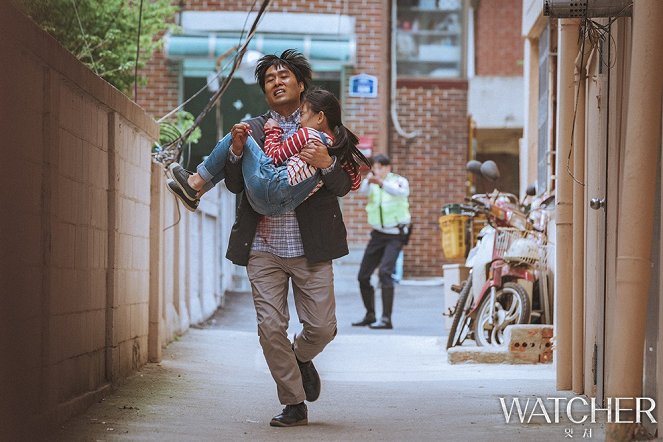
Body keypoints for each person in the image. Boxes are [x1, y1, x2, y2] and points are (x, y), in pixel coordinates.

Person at [182, 49, 354, 428]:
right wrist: (238, 152)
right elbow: (234, 184)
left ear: (301, 84)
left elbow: (344, 185)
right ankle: (294, 402)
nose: (276, 82)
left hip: (311, 248)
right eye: (269, 79)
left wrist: (327, 164)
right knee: (270, 328)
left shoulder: (322, 127)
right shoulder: (254, 129)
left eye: (284, 76)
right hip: (263, 247)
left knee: (322, 328)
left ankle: (301, 356)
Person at [166, 88, 366, 214]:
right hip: (282, 206)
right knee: (239, 148)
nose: (300, 120)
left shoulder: (308, 135)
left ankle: (195, 182)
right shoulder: (336, 148)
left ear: (320, 117)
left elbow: (273, 157)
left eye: (303, 114)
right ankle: (196, 192)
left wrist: (273, 131)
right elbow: (355, 183)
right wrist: (331, 163)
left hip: (270, 188)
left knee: (240, 133)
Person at [352, 154, 411, 330]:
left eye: (379, 167)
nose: (376, 171)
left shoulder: (399, 181)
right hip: (378, 234)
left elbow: (401, 192)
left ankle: (386, 319)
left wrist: (381, 183)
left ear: (388, 167)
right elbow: (361, 191)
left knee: (385, 272)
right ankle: (370, 314)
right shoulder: (373, 183)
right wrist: (368, 181)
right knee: (363, 275)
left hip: (396, 234)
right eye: (374, 168)